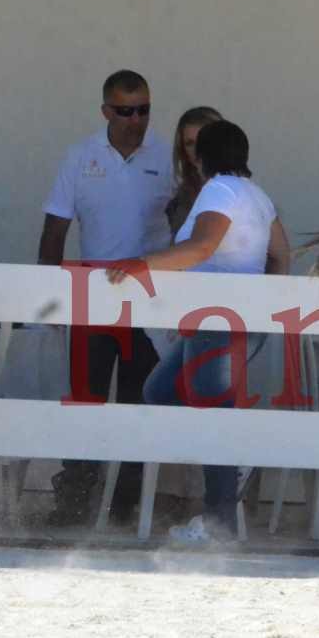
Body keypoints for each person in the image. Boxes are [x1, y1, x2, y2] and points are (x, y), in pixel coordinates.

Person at [106, 120, 291, 542]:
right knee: (161, 390)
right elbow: (281, 254)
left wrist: (142, 264)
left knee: (208, 410)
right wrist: (264, 302)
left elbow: (202, 247)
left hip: (218, 318)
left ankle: (219, 521)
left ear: (201, 157)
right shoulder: (258, 196)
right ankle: (231, 465)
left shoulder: (219, 190)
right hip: (236, 320)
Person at [38, 69, 176, 525]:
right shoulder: (80, 156)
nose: (136, 120)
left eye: (144, 110)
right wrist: (51, 295)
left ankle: (124, 507)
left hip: (150, 301)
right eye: (125, 111)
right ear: (105, 112)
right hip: (91, 299)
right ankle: (74, 502)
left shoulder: (168, 157)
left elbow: (187, 229)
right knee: (86, 400)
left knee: (140, 403)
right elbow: (55, 228)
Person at [166, 106, 223, 235]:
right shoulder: (180, 199)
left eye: (204, 140)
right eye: (190, 143)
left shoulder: (240, 192)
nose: (198, 149)